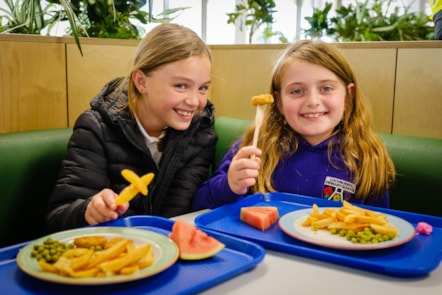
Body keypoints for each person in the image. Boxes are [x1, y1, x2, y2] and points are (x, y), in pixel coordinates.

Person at [46, 23, 217, 233]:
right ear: (141, 82)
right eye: (181, 86)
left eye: (203, 88)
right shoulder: (95, 128)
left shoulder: (200, 134)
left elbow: (179, 213)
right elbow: (58, 217)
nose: (194, 101)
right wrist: (88, 210)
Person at [193, 40, 396, 211]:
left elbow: (380, 225)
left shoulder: (368, 155)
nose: (313, 101)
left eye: (326, 88)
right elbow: (200, 204)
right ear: (278, 102)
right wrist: (229, 185)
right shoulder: (255, 147)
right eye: (297, 91)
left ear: (347, 97)